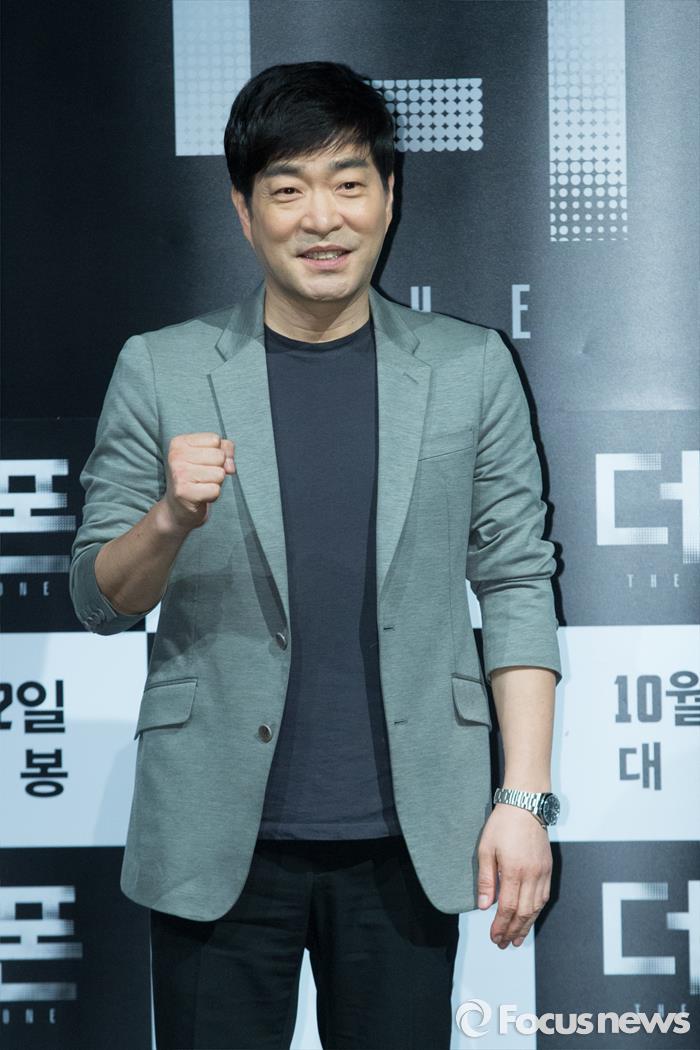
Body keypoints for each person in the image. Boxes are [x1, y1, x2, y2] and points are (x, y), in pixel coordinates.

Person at [70, 60, 562, 1050]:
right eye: (287, 189)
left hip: (407, 839)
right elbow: (99, 600)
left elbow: (516, 580)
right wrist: (168, 518)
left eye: (348, 183)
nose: (322, 218)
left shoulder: (469, 368)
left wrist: (523, 798)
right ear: (244, 211)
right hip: (216, 837)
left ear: (389, 195)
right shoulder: (161, 367)